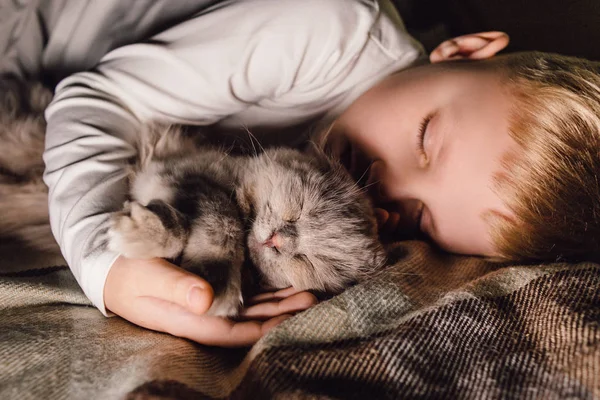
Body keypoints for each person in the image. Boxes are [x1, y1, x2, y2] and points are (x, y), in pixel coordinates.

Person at [4, 0, 598, 347]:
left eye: (419, 217)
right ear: (463, 52)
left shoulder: (334, 219)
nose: (382, 183)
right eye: (426, 138)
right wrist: (105, 270)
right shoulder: (334, 29)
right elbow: (98, 98)